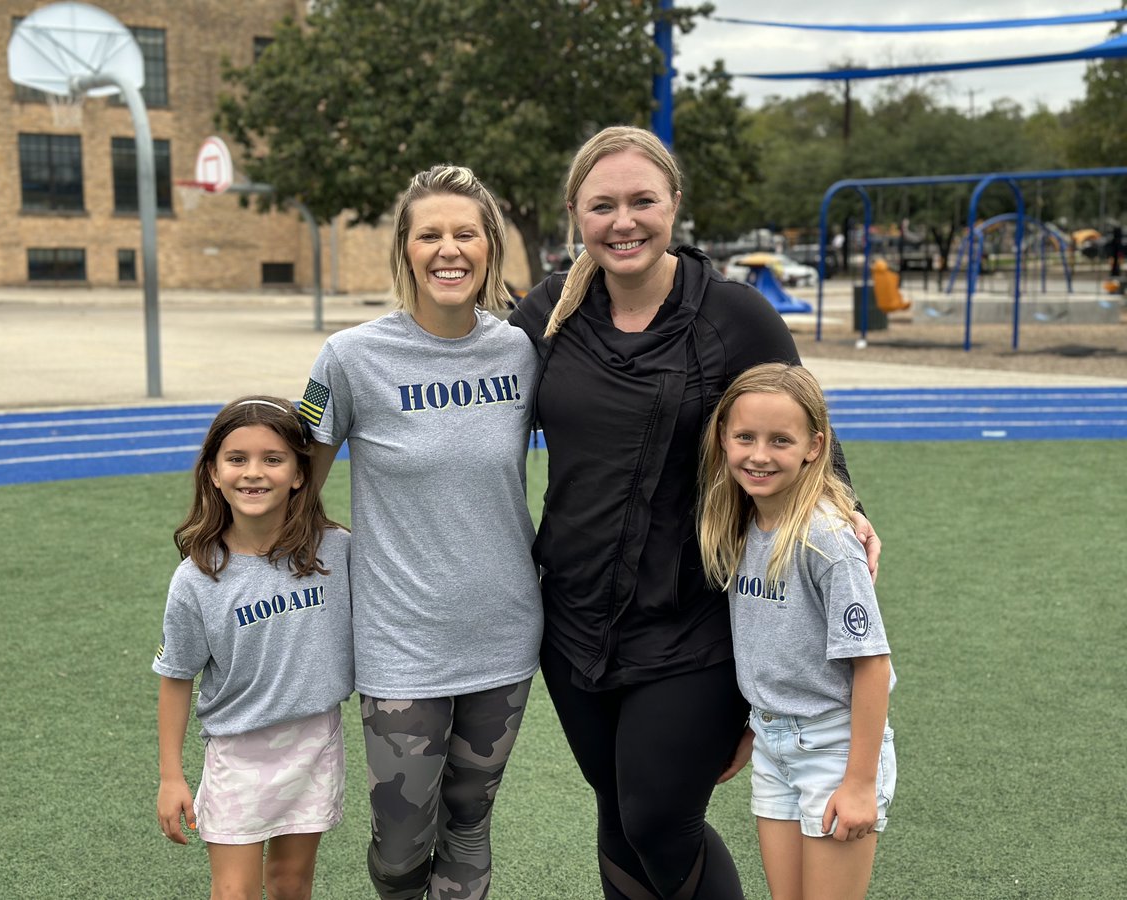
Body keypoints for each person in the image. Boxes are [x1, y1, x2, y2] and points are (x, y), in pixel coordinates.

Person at [508, 125, 881, 900]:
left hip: (693, 620)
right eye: (602, 204)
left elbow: (811, 431)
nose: (624, 221)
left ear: (673, 203)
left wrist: (850, 509)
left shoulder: (735, 315)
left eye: (643, 200)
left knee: (657, 818)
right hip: (573, 618)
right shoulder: (546, 315)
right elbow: (470, 418)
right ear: (576, 212)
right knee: (617, 814)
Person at [298, 164, 541, 900]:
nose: (449, 249)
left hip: (504, 636)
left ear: (490, 247)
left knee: (469, 821)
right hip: (401, 643)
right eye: (429, 233)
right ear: (404, 248)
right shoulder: (350, 358)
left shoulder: (521, 354)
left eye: (466, 233)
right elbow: (293, 483)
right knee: (402, 844)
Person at [698, 363, 896, 900]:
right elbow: (768, 643)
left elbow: (873, 666)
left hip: (833, 749)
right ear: (723, 439)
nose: (759, 455)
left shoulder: (828, 540)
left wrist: (859, 783)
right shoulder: (740, 522)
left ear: (815, 446)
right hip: (772, 743)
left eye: (780, 440)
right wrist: (752, 724)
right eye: (745, 437)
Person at [153, 396, 353, 900]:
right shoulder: (197, 578)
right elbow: (177, 677)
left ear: (300, 474)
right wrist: (172, 777)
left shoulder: (336, 550)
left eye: (273, 458)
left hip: (314, 740)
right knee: (234, 892)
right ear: (214, 474)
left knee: (290, 883)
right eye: (237, 459)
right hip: (238, 754)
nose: (254, 472)